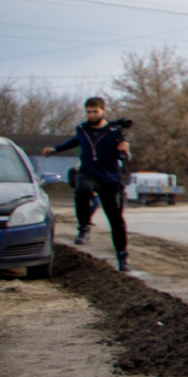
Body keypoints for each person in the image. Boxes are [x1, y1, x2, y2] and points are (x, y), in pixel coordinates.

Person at [45, 97, 131, 272]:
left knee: (116, 219)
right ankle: (84, 225)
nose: (91, 115)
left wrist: (124, 151)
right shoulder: (82, 129)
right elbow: (74, 141)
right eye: (88, 112)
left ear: (103, 111)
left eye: (95, 111)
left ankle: (122, 256)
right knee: (82, 189)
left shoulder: (114, 131)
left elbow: (123, 146)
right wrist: (56, 149)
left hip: (109, 178)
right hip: (88, 172)